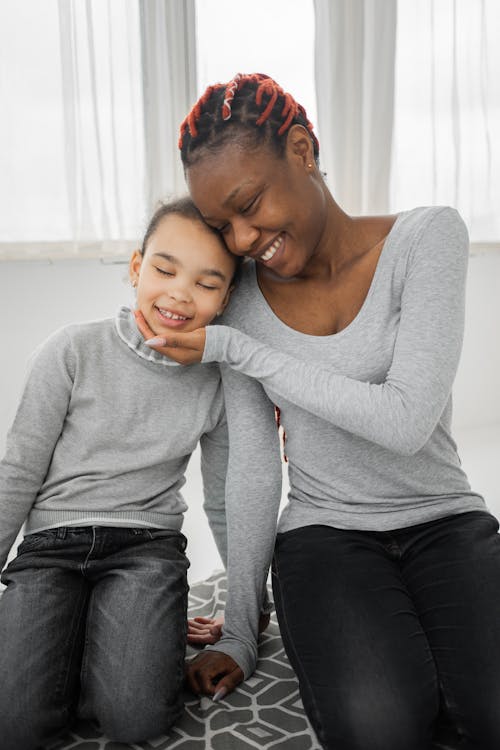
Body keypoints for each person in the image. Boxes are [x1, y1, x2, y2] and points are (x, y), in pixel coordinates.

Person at [136, 73, 500, 750]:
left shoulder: (426, 240)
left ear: (302, 149)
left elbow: (404, 420)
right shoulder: (240, 300)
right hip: (326, 538)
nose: (242, 239)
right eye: (223, 225)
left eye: (250, 205)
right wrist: (243, 630)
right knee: (381, 729)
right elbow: (252, 463)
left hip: (446, 521)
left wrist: (240, 350)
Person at [0, 196, 277, 749]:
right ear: (135, 268)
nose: (178, 293)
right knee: (15, 725)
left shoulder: (217, 381)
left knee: (137, 719)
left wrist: (248, 617)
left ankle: (136, 628)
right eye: (164, 269)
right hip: (51, 549)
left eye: (206, 283)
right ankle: (111, 635)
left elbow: (224, 499)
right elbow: (18, 470)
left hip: (145, 550)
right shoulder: (71, 350)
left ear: (226, 300)